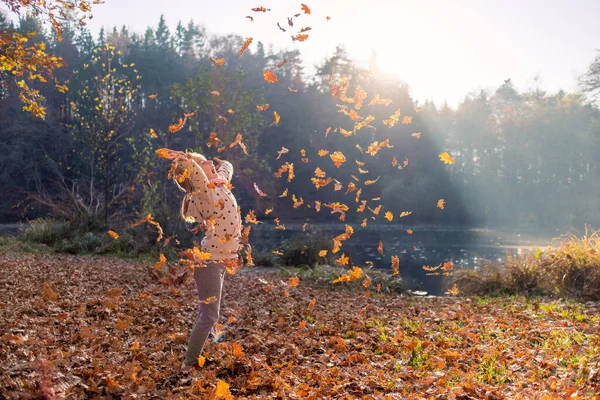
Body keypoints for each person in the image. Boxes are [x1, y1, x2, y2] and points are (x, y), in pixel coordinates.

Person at [170, 151, 241, 373]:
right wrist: (185, 161)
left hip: (220, 261)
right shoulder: (204, 192)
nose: (210, 163)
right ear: (197, 174)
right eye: (204, 163)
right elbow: (194, 173)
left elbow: (227, 167)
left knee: (211, 314)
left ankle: (203, 346)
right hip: (209, 263)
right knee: (209, 315)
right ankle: (188, 365)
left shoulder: (219, 183)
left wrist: (223, 162)